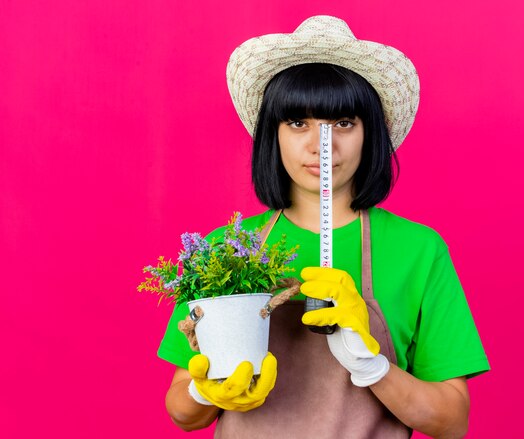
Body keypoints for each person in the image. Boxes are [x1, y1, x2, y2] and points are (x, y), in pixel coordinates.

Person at [157, 15, 490, 439]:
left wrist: (374, 367)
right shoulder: (224, 252)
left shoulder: (418, 250)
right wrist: (206, 392)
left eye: (343, 123)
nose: (321, 144)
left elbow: (452, 420)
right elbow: (183, 411)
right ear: (271, 135)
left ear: (372, 134)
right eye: (298, 123)